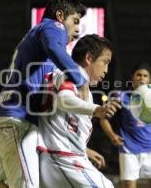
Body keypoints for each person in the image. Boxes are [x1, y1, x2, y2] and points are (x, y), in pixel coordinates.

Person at [0, 0, 113, 188]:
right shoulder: (53, 27)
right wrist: (80, 79)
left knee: (4, 185)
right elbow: (54, 46)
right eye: (75, 21)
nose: (78, 29)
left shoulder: (39, 49)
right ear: (60, 16)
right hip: (16, 120)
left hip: (3, 120)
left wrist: (83, 150)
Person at [37, 34, 120, 188]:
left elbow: (64, 123)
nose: (106, 70)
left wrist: (85, 149)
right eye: (105, 62)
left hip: (61, 156)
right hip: (62, 157)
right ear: (89, 58)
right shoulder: (72, 74)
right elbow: (64, 99)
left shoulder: (81, 86)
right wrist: (97, 110)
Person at [100, 63, 151, 188]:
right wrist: (112, 135)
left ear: (149, 80)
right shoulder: (121, 96)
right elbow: (103, 119)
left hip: (150, 149)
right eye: (138, 75)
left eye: (145, 76)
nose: (141, 78)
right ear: (132, 78)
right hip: (128, 149)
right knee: (129, 185)